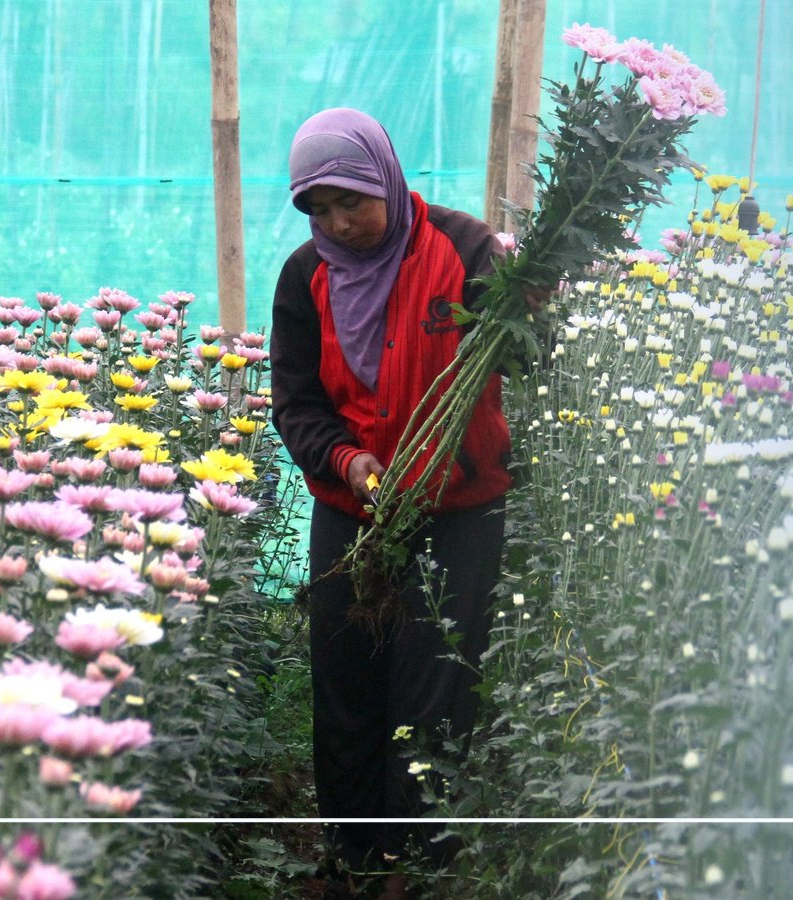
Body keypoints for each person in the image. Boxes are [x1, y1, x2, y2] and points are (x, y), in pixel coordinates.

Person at [270, 107, 515, 896]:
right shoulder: (305, 278)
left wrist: (532, 290)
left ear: (386, 178)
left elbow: (521, 346)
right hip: (354, 509)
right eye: (321, 210)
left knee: (433, 689)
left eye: (354, 202)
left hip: (457, 511)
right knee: (346, 681)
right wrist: (349, 464)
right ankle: (351, 857)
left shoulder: (466, 249)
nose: (340, 224)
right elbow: (297, 404)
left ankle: (418, 868)